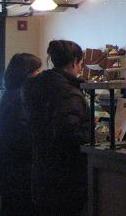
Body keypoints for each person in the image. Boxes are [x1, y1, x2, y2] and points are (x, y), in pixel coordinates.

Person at [23, 40, 91, 215]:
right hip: (66, 175)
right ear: (75, 62)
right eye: (81, 63)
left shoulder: (35, 85)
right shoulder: (68, 92)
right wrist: (92, 133)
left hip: (41, 167)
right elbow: (69, 133)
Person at [0, 52, 42, 215]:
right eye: (37, 71)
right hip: (17, 169)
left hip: (7, 166)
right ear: (28, 74)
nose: (39, 75)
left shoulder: (10, 93)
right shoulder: (20, 97)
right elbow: (22, 134)